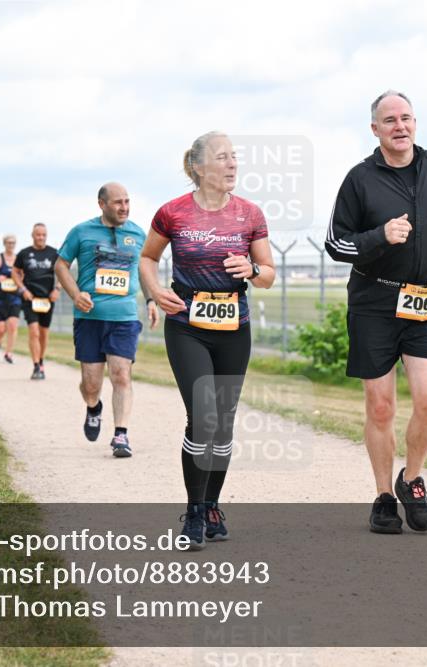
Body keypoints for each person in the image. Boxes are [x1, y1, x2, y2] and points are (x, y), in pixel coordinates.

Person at [325, 90, 427, 534]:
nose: (400, 126)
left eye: (406, 118)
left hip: (426, 299)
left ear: (415, 123)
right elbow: (335, 243)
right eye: (390, 120)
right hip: (375, 301)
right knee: (382, 406)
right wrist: (379, 237)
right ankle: (384, 496)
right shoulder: (359, 179)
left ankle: (412, 479)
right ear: (375, 129)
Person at [139, 131, 275, 549]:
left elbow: (268, 273)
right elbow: (148, 257)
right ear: (198, 167)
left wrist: (251, 270)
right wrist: (153, 291)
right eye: (223, 157)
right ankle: (194, 512)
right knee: (203, 415)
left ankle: (213, 504)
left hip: (235, 325)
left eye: (235, 157)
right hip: (187, 324)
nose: (232, 164)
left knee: (224, 422)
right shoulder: (173, 213)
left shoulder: (250, 213)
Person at [55, 182, 159, 458]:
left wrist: (150, 301)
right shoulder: (81, 232)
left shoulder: (137, 233)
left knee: (121, 374)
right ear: (101, 204)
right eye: (117, 202)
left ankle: (121, 435)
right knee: (91, 383)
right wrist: (75, 294)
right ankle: (93, 407)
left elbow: (144, 269)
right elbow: (60, 265)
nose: (124, 207)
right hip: (89, 318)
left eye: (127, 201)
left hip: (124, 317)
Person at [13, 223, 61, 380]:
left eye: (43, 235)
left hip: (47, 298)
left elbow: (63, 271)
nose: (41, 237)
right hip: (30, 298)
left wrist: (57, 289)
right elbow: (15, 272)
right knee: (33, 331)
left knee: (43, 334)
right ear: (32, 235)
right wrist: (22, 289)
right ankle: (35, 366)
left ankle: (41, 361)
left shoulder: (54, 253)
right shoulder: (24, 253)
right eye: (38, 234)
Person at [0, 235, 22, 364]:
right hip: (0, 298)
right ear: (4, 244)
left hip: (14, 297)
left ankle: (9, 353)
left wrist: (19, 281)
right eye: (8, 242)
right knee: (1, 328)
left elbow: (23, 276)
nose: (11, 245)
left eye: (13, 242)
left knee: (12, 325)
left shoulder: (19, 259)